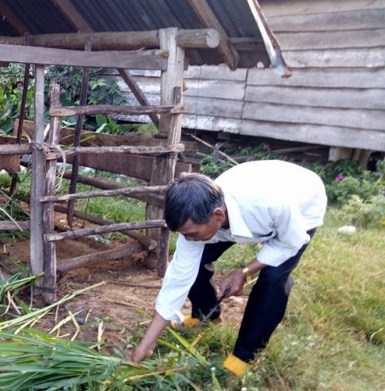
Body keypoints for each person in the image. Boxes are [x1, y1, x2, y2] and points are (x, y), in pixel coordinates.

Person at [129, 160, 327, 375]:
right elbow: (177, 280)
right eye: (184, 234)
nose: (188, 239)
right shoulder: (198, 221)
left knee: (273, 277)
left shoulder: (272, 205)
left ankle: (245, 355)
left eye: (192, 233)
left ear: (218, 216)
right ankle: (206, 315)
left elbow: (290, 243)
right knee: (193, 263)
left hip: (301, 206)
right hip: (254, 192)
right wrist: (145, 344)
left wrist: (244, 271)